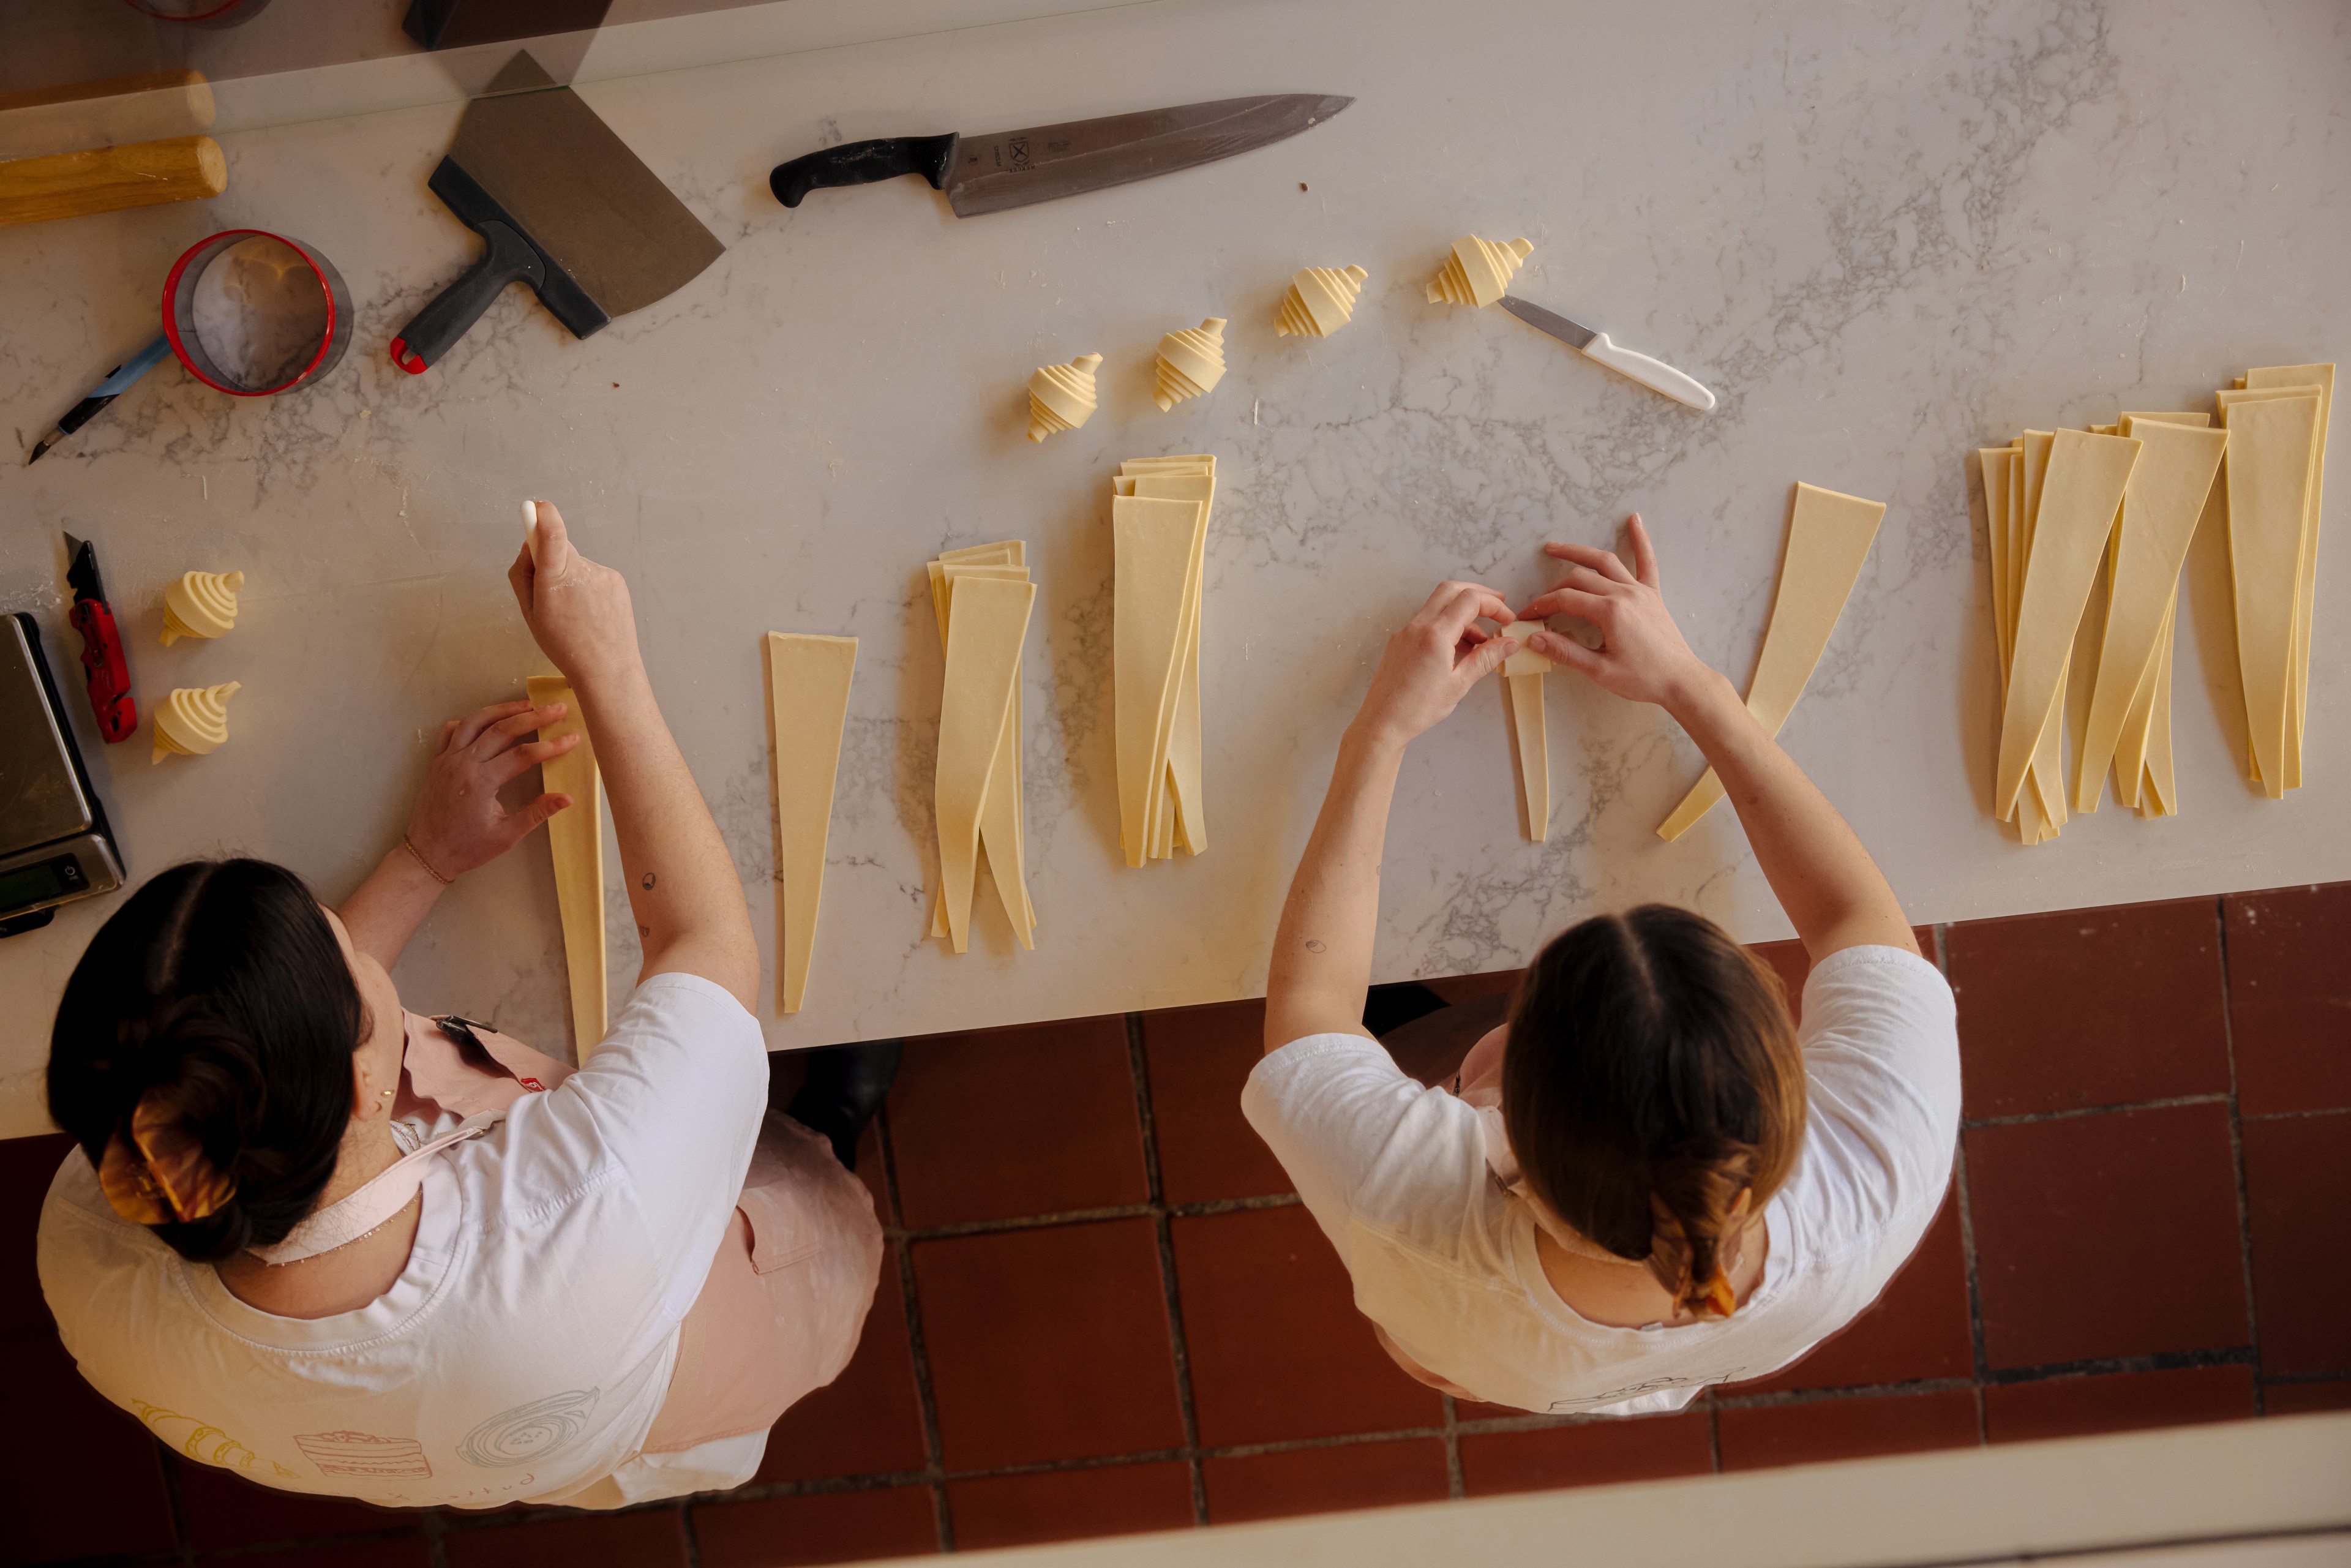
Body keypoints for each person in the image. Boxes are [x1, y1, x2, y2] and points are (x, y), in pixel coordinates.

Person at [38, 504, 899, 1510]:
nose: (361, 949)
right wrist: (609, 665)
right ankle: (828, 1134)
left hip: (528, 1423)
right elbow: (705, 945)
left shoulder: (94, 1246)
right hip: (686, 1332)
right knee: (811, 1215)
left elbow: (247, 1062)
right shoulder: (578, 1211)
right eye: (349, 953)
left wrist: (421, 863)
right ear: (369, 1079)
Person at [1245, 516, 1959, 1414]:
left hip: (1477, 1331)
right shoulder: (1872, 1180)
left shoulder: (1409, 1204)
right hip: (1516, 1356)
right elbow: (1860, 919)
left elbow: (1312, 1006)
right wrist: (1690, 685)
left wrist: (1381, 729)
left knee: (1393, 1035)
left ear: (1499, 1117)